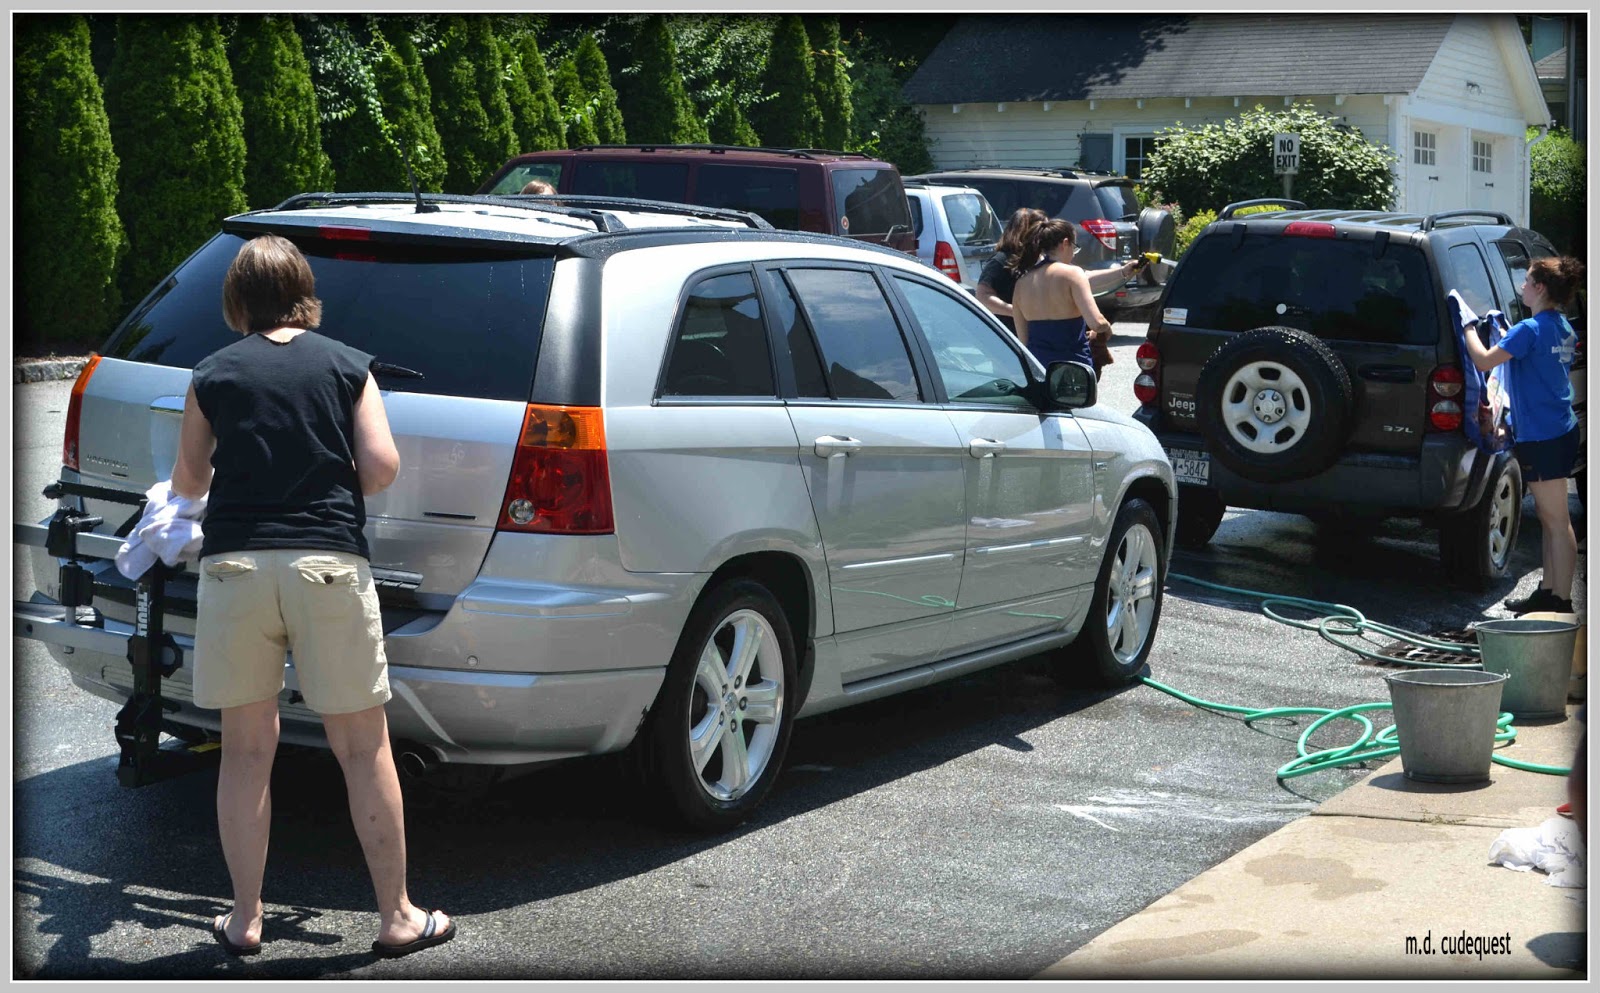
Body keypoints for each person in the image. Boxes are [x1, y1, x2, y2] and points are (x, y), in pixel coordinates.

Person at [171, 235, 456, 959]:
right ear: (306, 291)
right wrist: (325, 483)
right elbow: (382, 466)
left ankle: (244, 920)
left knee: (245, 751)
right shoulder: (348, 366)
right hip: (327, 562)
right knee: (363, 747)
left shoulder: (212, 372)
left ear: (236, 300)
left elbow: (190, 482)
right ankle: (396, 915)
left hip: (237, 568)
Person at [1457, 255, 1585, 615]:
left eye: (1527, 281)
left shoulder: (1529, 330)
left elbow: (1483, 361)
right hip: (1560, 429)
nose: (1522, 287)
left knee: (1557, 520)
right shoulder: (1561, 326)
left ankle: (1561, 601)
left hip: (1543, 436)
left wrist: (1467, 324)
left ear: (1541, 288)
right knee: (1550, 518)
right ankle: (1548, 592)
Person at [976, 208, 1142, 336]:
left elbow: (1085, 278)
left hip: (1038, 336)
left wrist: (1122, 272)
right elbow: (983, 296)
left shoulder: (1041, 259)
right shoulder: (1001, 260)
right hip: (1008, 333)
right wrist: (1017, 311)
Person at [1009, 217, 1130, 378]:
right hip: (1073, 369)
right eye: (1074, 247)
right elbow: (1097, 322)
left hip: (1038, 370)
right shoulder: (1073, 274)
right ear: (1065, 243)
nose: (1073, 254)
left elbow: (1023, 340)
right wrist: (1105, 331)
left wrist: (1123, 271)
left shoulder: (1022, 283)